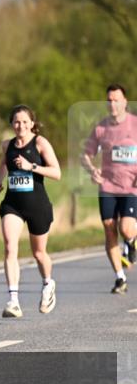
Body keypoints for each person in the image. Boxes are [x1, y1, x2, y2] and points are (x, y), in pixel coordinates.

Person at [0, 105, 62, 318]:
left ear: (32, 123)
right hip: (13, 204)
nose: (20, 125)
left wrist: (30, 166)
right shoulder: (7, 145)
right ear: (11, 124)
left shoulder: (40, 143)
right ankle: (13, 301)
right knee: (9, 247)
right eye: (16, 121)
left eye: (24, 121)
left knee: (39, 253)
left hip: (37, 206)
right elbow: (3, 164)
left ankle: (48, 284)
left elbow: (56, 173)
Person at [82, 84, 137, 295]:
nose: (112, 104)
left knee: (126, 228)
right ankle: (120, 277)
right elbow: (85, 154)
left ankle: (131, 243)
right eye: (109, 100)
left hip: (132, 186)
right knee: (108, 227)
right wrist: (91, 170)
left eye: (116, 100)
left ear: (125, 102)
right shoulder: (100, 128)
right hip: (108, 185)